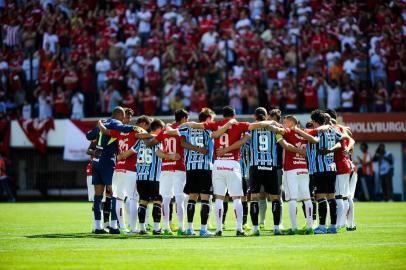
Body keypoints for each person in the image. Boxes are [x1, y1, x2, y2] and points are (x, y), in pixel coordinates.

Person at [186, 106, 277, 236]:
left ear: (222, 115)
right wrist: (272, 122)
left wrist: (183, 124)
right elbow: (260, 124)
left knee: (218, 198)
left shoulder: (215, 124)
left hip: (218, 164)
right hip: (233, 164)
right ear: (234, 115)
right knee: (237, 199)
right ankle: (239, 229)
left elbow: (195, 125)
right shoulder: (239, 125)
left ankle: (218, 229)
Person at [145, 109, 205, 236]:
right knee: (180, 199)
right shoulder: (182, 129)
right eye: (187, 119)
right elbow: (183, 143)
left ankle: (166, 228)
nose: (188, 121)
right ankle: (181, 228)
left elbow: (152, 144)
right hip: (179, 167)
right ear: (183, 119)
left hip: (165, 168)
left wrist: (144, 138)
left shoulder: (165, 130)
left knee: (166, 199)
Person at [117, 119, 179, 235]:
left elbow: (130, 151)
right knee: (157, 201)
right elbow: (158, 153)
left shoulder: (140, 141)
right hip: (153, 176)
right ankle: (156, 228)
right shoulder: (156, 141)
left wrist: (121, 156)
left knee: (143, 201)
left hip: (140, 176)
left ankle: (141, 228)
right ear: (158, 129)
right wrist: (171, 156)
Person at [85, 106, 141, 234]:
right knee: (114, 193)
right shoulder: (116, 123)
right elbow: (123, 128)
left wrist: (98, 125)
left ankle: (98, 226)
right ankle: (114, 226)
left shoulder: (103, 123)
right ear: (120, 116)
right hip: (108, 162)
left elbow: (89, 136)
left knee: (98, 196)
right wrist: (134, 127)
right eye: (124, 118)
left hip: (96, 161)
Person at [98, 110, 153, 234]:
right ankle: (134, 228)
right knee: (133, 199)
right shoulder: (135, 131)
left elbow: (105, 131)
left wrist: (100, 123)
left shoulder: (117, 132)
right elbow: (144, 136)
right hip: (131, 169)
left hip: (118, 169)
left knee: (118, 199)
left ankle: (122, 227)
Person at [294, 109, 347, 234]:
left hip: (319, 168)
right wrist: (330, 150)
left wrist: (297, 130)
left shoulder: (318, 131)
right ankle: (333, 226)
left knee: (320, 197)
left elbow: (313, 140)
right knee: (331, 197)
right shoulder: (332, 130)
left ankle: (322, 227)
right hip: (331, 167)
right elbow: (340, 143)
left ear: (314, 121)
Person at [267, 115, 314, 235]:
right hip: (304, 168)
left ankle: (294, 228)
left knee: (292, 199)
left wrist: (273, 126)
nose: (283, 124)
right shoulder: (305, 132)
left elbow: (281, 136)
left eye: (285, 122)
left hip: (291, 169)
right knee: (307, 198)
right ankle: (310, 227)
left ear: (291, 122)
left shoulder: (288, 131)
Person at [176, 108, 216, 236]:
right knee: (206, 198)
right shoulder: (210, 129)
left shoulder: (186, 128)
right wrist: (200, 149)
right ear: (208, 119)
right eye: (212, 119)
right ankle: (203, 230)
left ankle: (189, 228)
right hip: (205, 167)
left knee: (192, 197)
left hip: (191, 167)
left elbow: (182, 142)